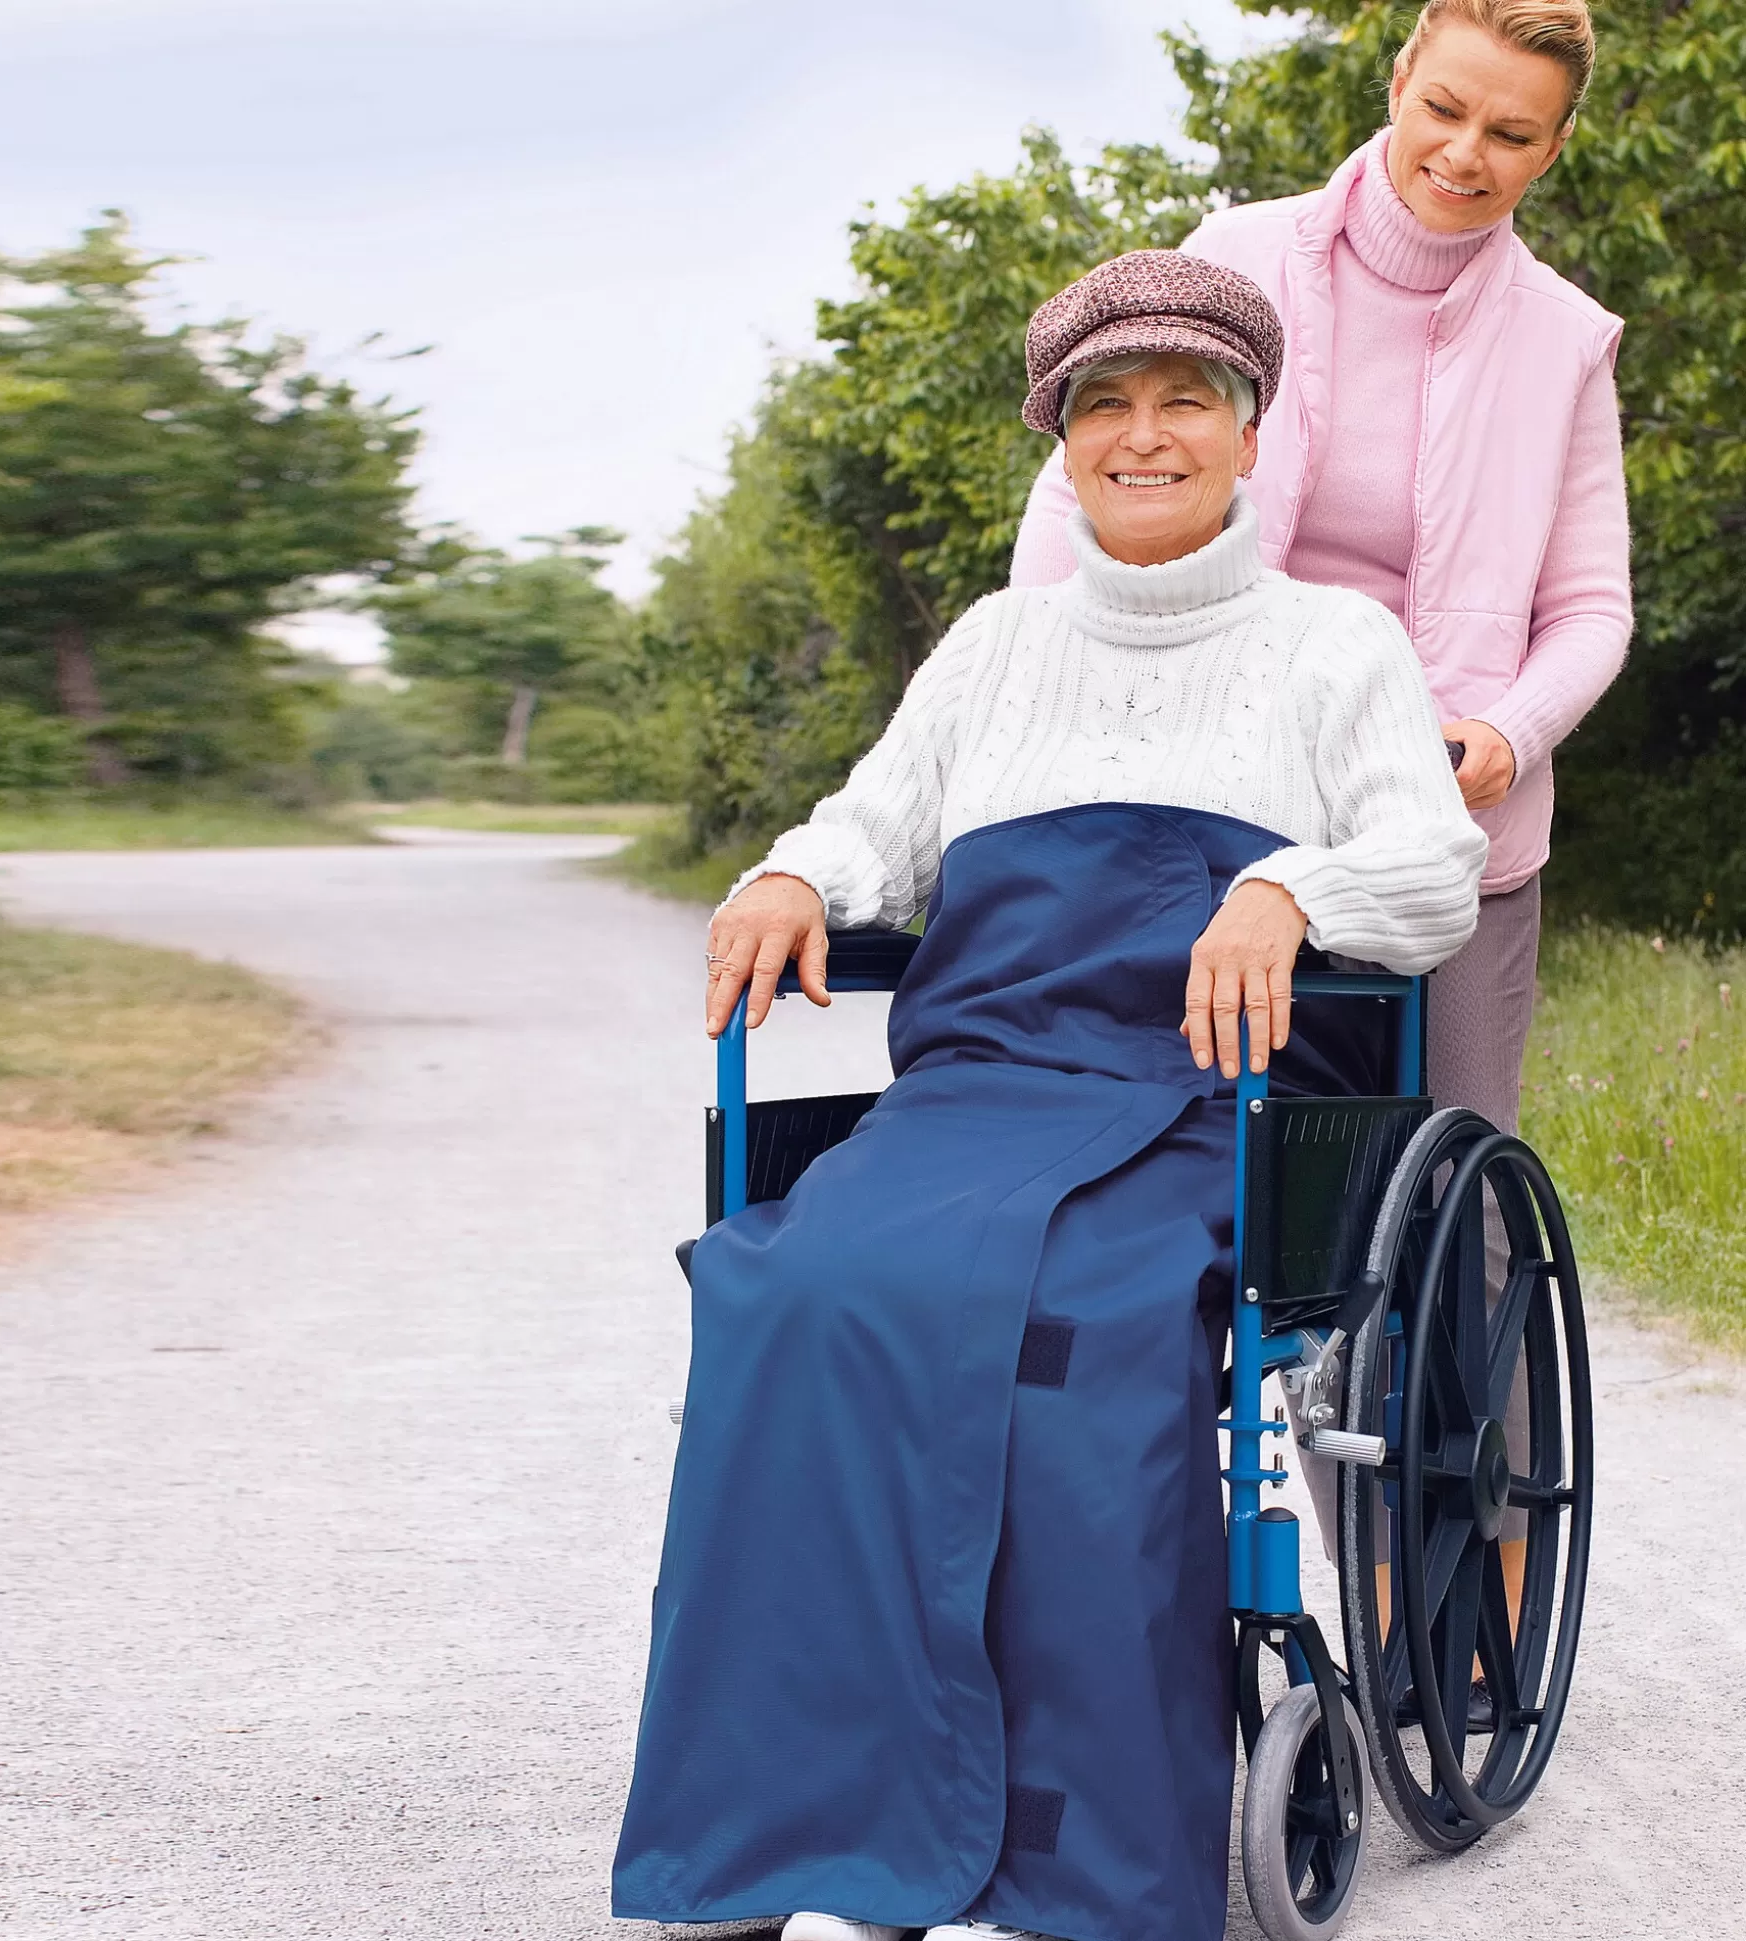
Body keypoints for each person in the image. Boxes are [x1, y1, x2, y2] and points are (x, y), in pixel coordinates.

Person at [612, 251, 1485, 1941]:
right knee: (789, 1290)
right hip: (982, 1093)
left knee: (1077, 1337)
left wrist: (1290, 891)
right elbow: (875, 824)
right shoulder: (995, 647)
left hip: (1201, 1102)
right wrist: (794, 872)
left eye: (1184, 402)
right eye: (1106, 405)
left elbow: (1433, 868)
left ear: (1249, 435)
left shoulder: (1331, 645)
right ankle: (799, 1837)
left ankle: (1065, 1869)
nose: (1142, 435)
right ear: (1060, 440)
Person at [1010, 0, 1629, 1145]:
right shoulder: (1235, 254)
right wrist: (1049, 683)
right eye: (1442, 108)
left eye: (1508, 133)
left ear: (1550, 149)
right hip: (1204, 778)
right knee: (1169, 1139)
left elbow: (1589, 607)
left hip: (1442, 807)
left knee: (1457, 1159)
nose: (1461, 154)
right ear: (1397, 85)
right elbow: (1080, 486)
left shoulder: (1565, 339)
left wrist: (1506, 732)